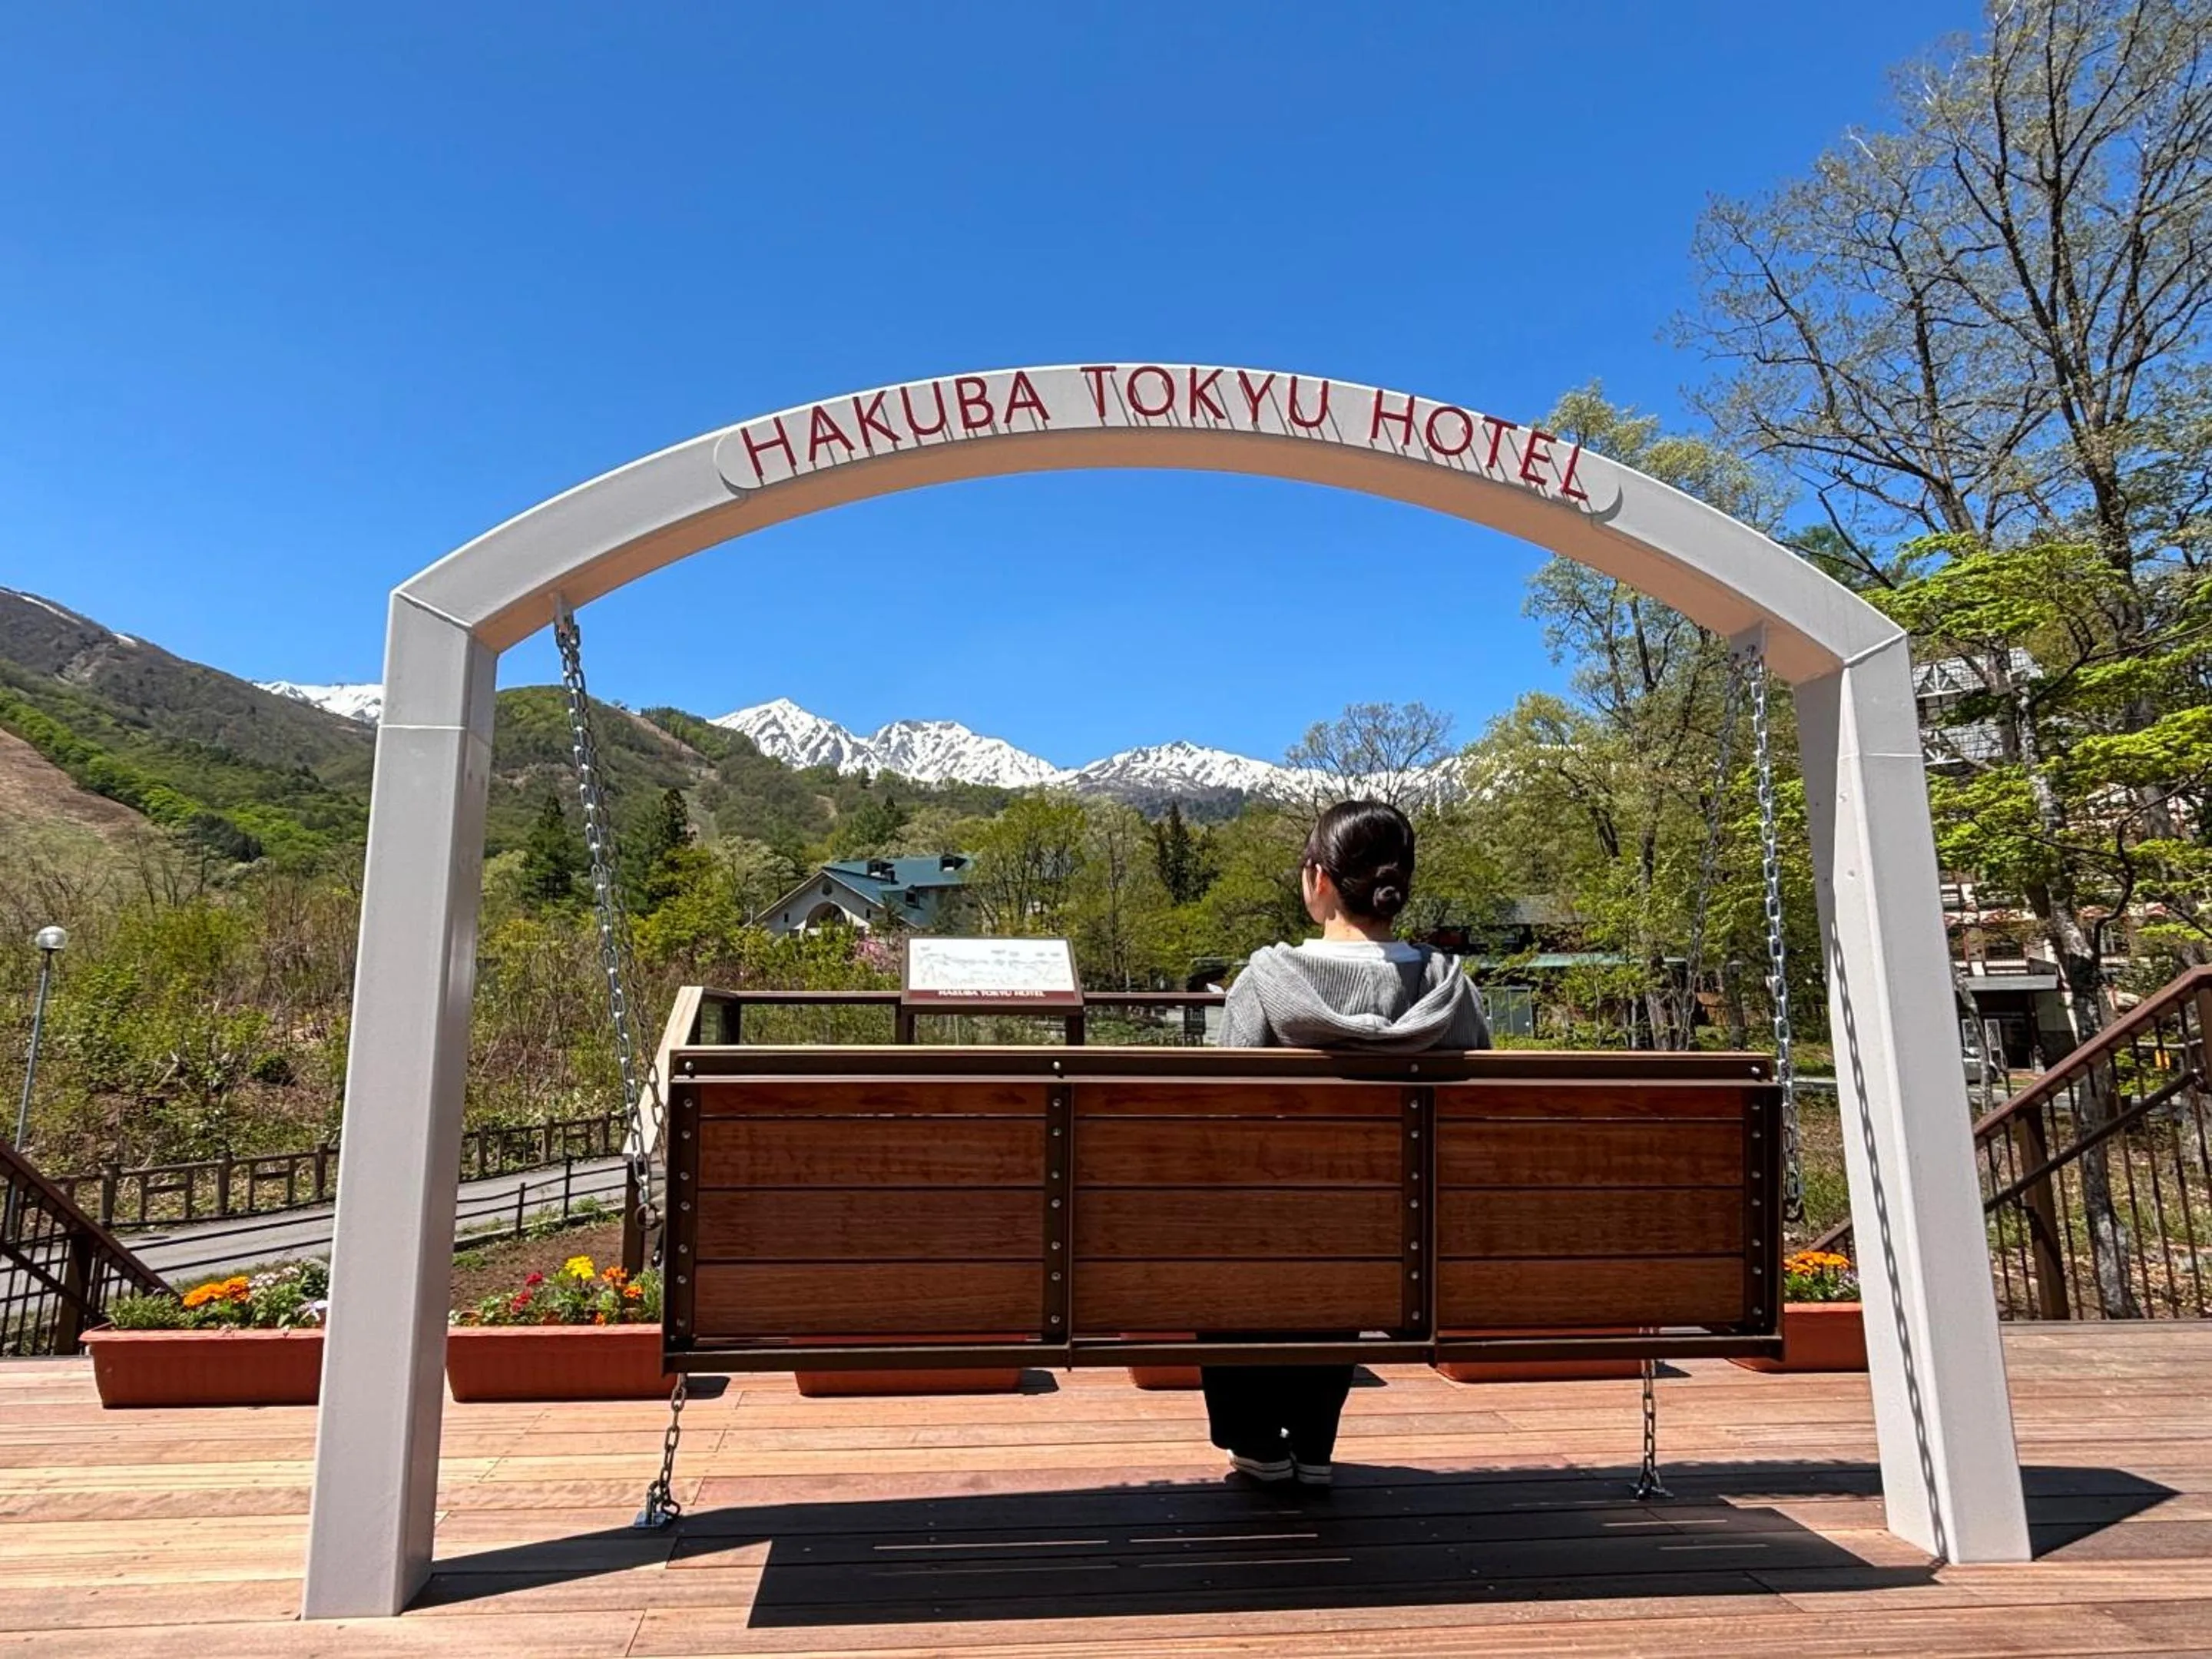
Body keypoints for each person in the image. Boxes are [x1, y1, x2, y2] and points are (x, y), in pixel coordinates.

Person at [1204, 799, 1490, 1488]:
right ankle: (1314, 1441)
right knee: (1351, 1236)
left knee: (1240, 1235)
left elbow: (1213, 1122)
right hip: (1393, 1238)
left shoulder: (1267, 983)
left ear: (1318, 880)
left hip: (1268, 1231)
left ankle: (1256, 1441)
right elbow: (1480, 1121)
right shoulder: (1449, 991)